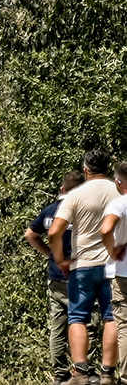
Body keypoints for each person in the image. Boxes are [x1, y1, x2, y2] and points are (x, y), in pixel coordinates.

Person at [51, 150, 121, 385]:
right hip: (113, 266)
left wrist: (61, 260)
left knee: (78, 318)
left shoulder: (76, 194)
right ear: (109, 169)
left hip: (83, 265)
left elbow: (54, 232)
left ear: (85, 170)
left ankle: (80, 373)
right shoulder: (119, 190)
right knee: (112, 317)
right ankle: (107, 374)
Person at [27, 169, 87, 385]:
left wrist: (49, 254)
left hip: (55, 276)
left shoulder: (50, 211)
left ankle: (59, 374)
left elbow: (30, 235)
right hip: (79, 275)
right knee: (82, 321)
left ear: (62, 189)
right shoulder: (83, 212)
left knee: (58, 325)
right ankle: (82, 371)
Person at [102, 163, 127, 380]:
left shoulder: (119, 204)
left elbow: (106, 228)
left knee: (125, 325)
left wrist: (112, 250)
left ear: (119, 182)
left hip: (124, 271)